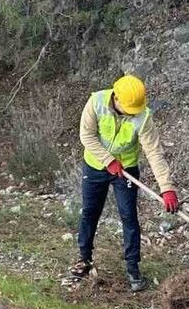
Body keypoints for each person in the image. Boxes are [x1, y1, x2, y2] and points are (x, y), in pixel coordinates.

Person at [71, 74, 178, 292]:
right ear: (116, 98)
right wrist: (108, 160)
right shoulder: (96, 102)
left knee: (129, 216)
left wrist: (166, 188)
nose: (133, 114)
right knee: (90, 212)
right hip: (95, 167)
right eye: (129, 109)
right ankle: (84, 258)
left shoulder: (143, 116)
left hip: (126, 171)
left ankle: (132, 268)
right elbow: (86, 136)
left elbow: (154, 153)